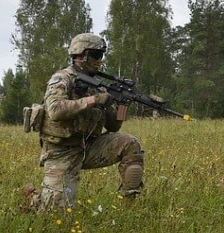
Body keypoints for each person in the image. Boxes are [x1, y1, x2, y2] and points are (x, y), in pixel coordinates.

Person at [22, 33, 144, 212]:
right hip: (61, 151)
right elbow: (55, 110)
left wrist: (122, 105)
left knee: (130, 144)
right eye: (96, 55)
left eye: (101, 55)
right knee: (55, 214)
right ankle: (32, 198)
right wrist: (93, 100)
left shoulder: (98, 86)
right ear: (81, 54)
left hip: (88, 146)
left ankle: (128, 207)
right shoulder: (62, 79)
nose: (99, 60)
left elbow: (113, 127)